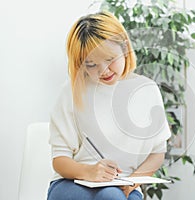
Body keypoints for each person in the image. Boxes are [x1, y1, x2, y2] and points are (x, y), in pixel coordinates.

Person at [47, 11, 171, 200]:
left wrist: (132, 183)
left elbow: (157, 153)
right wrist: (89, 171)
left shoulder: (147, 90)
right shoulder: (71, 91)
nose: (103, 70)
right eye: (91, 64)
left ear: (125, 48)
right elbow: (60, 161)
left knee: (115, 195)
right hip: (72, 183)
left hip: (125, 184)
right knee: (111, 196)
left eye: (109, 59)